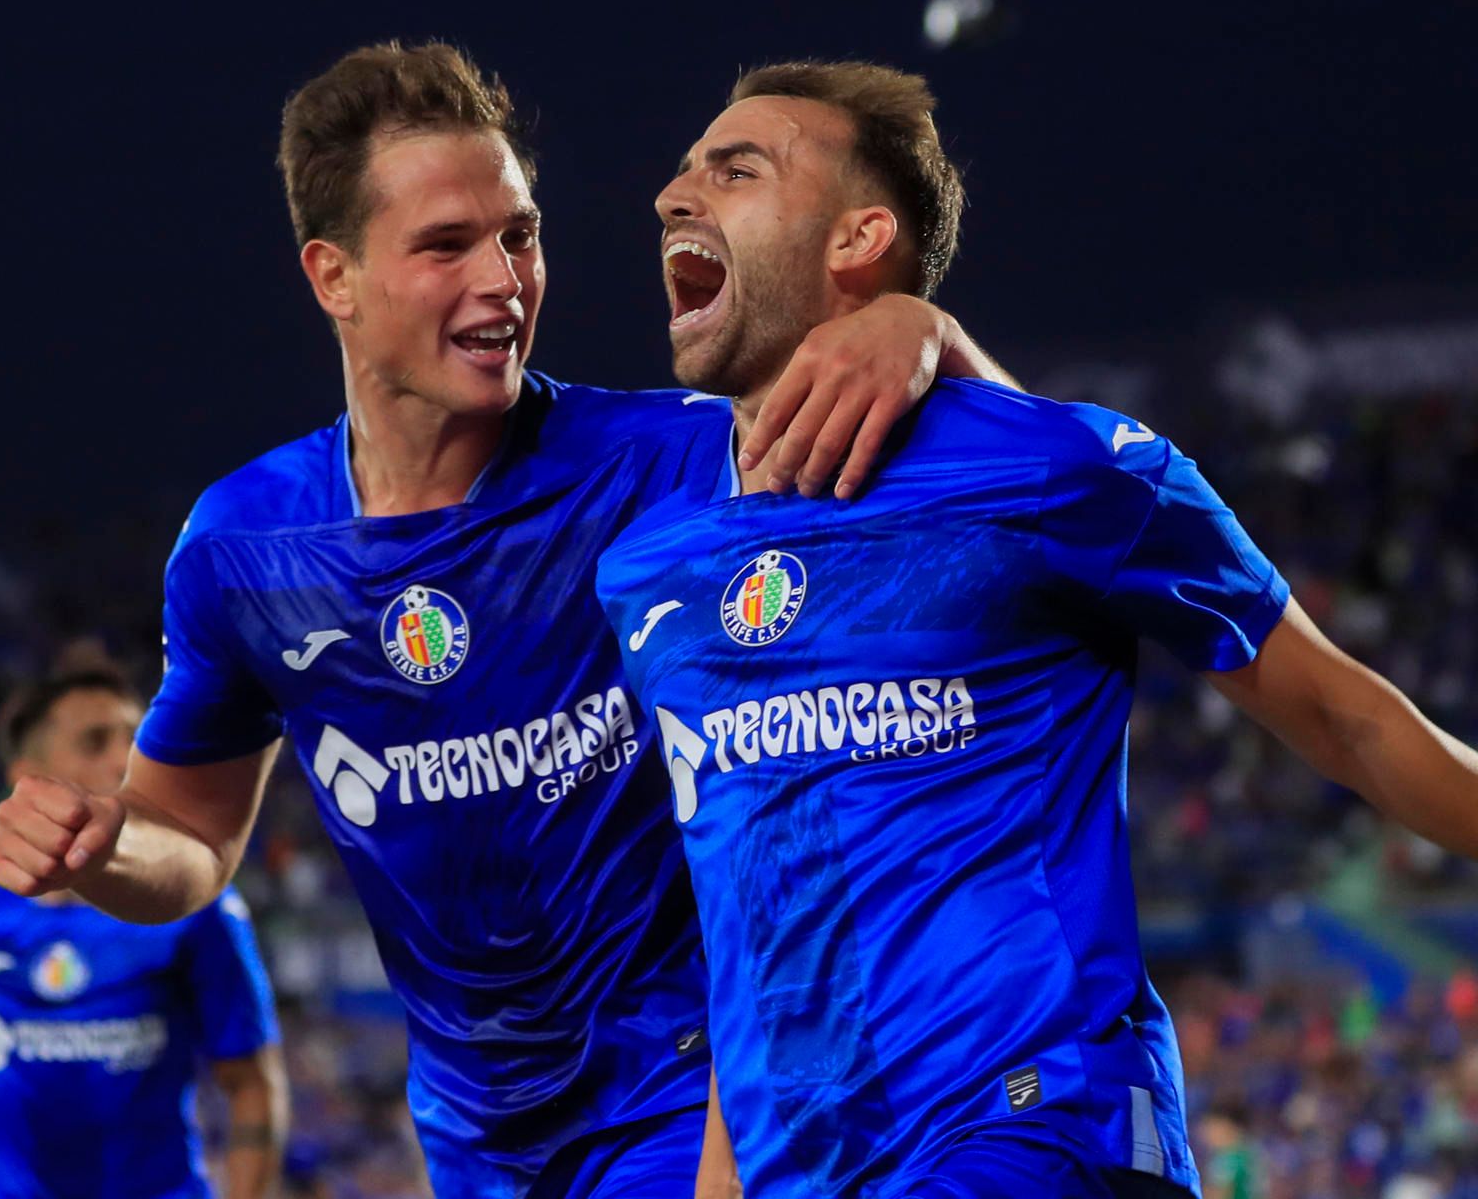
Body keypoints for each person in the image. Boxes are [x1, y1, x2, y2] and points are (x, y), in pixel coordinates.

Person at [0, 42, 1016, 1197]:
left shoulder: (675, 459)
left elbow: (1006, 498)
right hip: (477, 1142)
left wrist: (927, 336)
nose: (504, 280)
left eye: (518, 234)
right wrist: (105, 842)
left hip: (697, 1102)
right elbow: (193, 838)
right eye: (444, 246)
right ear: (334, 277)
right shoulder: (245, 550)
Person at [595, 59, 1478, 1198]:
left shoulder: (1055, 467)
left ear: (860, 236)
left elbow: (1348, 716)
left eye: (736, 168)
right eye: (681, 171)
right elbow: (748, 923)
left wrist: (935, 334)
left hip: (1039, 1122)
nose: (674, 193)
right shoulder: (651, 565)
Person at [0, 650, 286, 1199]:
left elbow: (252, 1083)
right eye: (97, 742)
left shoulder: (197, 904)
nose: (128, 757)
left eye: (135, 736)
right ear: (29, 779)